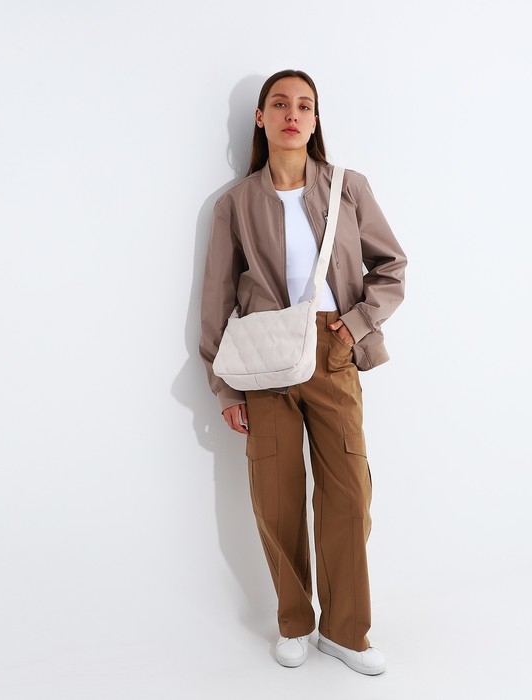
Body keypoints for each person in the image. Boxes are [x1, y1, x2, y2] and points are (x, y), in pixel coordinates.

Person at [199, 69, 406, 675]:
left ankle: (346, 631)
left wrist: (356, 323)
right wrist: (224, 387)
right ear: (261, 117)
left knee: (349, 493)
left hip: (332, 349)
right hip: (264, 359)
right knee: (277, 496)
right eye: (280, 103)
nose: (293, 114)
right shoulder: (235, 203)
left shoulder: (347, 187)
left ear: (315, 121)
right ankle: (295, 620)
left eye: (305, 106)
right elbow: (216, 299)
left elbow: (391, 266)